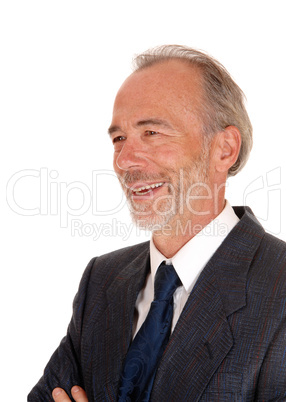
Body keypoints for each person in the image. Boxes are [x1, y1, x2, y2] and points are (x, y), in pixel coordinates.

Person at [28, 45, 286, 401]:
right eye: (119, 139)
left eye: (152, 133)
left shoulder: (280, 286)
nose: (125, 160)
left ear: (224, 149)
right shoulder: (102, 280)